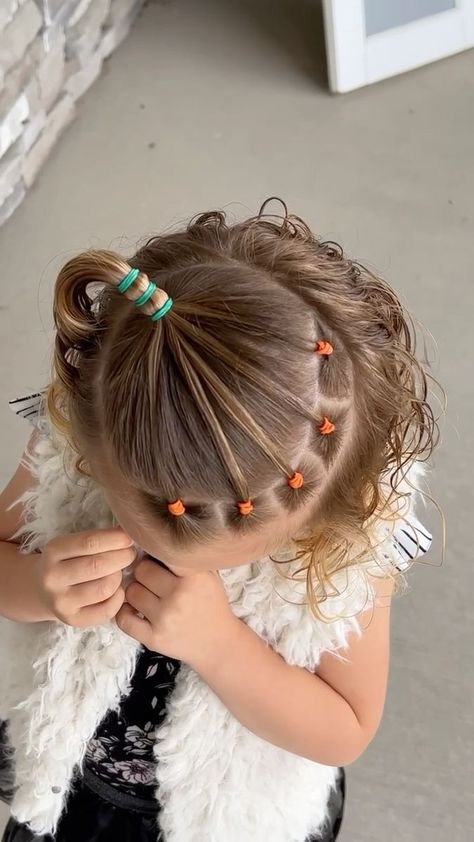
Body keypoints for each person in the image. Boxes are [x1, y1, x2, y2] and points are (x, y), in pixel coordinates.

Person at [0, 201, 437, 842]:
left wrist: (220, 647)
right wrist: (38, 587)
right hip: (73, 791)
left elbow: (345, 728)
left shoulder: (353, 541)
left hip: (229, 814)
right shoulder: (68, 441)